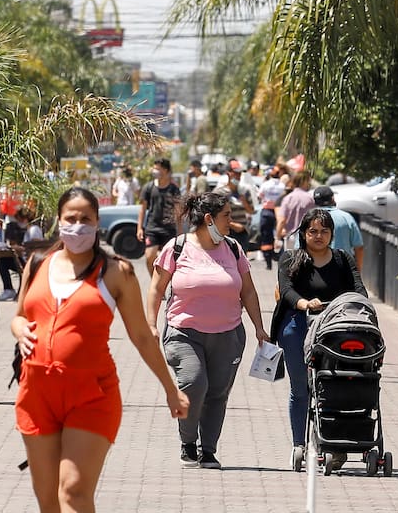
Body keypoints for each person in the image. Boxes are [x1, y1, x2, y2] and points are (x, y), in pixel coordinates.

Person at [12, 188, 188, 513]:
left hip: (92, 396)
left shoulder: (116, 272)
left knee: (74, 492)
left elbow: (141, 336)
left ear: (97, 224)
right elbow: (20, 316)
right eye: (71, 219)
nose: (77, 226)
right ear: (58, 221)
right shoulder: (38, 263)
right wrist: (19, 327)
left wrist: (170, 388)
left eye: (86, 219)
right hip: (36, 395)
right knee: (48, 499)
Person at [146, 192, 269, 469]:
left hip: (228, 334)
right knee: (194, 382)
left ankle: (208, 450)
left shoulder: (234, 249)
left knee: (217, 392)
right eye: (227, 215)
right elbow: (156, 288)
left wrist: (259, 327)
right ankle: (188, 441)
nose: (231, 221)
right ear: (209, 219)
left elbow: (248, 291)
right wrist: (151, 325)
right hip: (183, 332)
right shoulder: (176, 247)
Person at [272, 207, 367, 470]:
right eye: (313, 231)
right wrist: (304, 303)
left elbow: (358, 287)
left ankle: (335, 444)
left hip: (334, 325)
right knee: (300, 387)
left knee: (335, 384)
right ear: (303, 233)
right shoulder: (291, 258)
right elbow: (287, 290)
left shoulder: (342, 259)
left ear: (332, 234)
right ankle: (298, 444)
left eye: (324, 231)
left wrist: (361, 306)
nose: (318, 236)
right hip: (298, 323)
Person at [137, 158, 181, 275]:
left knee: (170, 261)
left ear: (166, 171)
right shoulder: (148, 187)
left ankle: (166, 284)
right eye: (154, 168)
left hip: (169, 229)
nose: (154, 171)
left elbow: (177, 211)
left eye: (157, 169)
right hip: (152, 228)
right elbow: (142, 209)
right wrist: (139, 228)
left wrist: (180, 232)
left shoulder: (174, 189)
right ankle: (154, 282)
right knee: (149, 256)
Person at [311, 186, 364, 271]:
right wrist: (357, 272)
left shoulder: (308, 219)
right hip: (342, 271)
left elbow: (298, 248)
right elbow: (359, 247)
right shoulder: (346, 217)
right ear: (332, 198)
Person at [216, 161, 255, 257]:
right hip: (225, 233)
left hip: (241, 234)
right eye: (236, 173)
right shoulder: (220, 193)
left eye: (240, 173)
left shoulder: (244, 191)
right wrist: (232, 225)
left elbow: (251, 211)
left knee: (241, 261)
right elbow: (215, 215)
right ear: (228, 173)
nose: (238, 176)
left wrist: (244, 202)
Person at [257, 165, 287, 268]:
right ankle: (281, 258)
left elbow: (259, 196)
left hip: (267, 212)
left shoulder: (265, 184)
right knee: (281, 235)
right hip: (279, 212)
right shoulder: (283, 186)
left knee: (266, 237)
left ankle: (268, 263)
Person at [277, 171, 315, 251]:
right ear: (304, 182)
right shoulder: (310, 198)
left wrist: (277, 237)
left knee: (291, 261)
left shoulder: (288, 198)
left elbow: (282, 221)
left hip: (290, 237)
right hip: (306, 236)